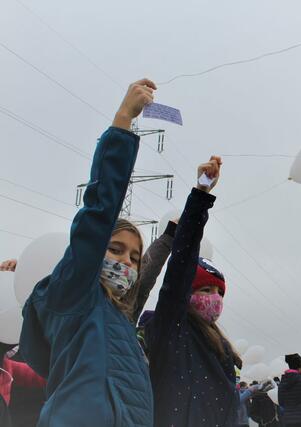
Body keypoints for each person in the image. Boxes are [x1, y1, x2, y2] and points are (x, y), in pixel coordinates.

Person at [19, 79, 156, 427]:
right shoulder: (74, 294)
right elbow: (98, 213)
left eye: (134, 258)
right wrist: (123, 121)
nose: (126, 261)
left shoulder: (122, 323)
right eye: (115, 249)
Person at [144, 155, 246, 426]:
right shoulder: (171, 326)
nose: (213, 298)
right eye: (205, 289)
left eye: (219, 292)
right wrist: (200, 194)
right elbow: (182, 258)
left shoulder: (221, 346)